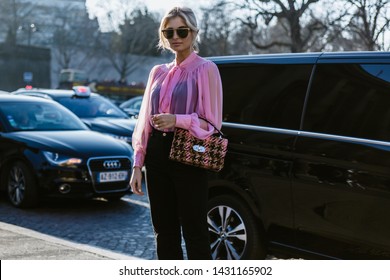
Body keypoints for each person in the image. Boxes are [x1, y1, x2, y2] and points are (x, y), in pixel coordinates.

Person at [130, 6, 223, 260]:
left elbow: (213, 125)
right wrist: (138, 164)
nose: (175, 36)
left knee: (194, 232)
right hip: (156, 156)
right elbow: (143, 122)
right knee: (164, 231)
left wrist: (177, 120)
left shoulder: (206, 69)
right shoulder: (157, 72)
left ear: (194, 33)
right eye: (168, 31)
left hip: (188, 154)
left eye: (182, 30)